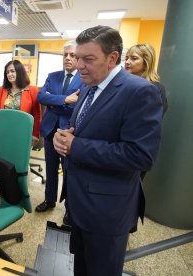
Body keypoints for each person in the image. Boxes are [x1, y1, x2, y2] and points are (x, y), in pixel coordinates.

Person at [53, 26, 163, 276]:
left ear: (112, 58)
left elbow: (141, 155)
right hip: (78, 202)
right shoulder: (88, 86)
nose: (79, 65)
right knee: (80, 266)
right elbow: (81, 128)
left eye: (88, 59)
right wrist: (67, 136)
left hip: (106, 210)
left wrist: (76, 146)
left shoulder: (140, 92)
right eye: (77, 57)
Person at [35, 41, 86, 215]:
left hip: (69, 132)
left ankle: (69, 208)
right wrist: (64, 100)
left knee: (68, 171)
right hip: (50, 130)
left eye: (72, 55)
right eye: (65, 55)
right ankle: (49, 200)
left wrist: (53, 101)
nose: (68, 58)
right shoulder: (53, 75)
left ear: (78, 58)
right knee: (50, 168)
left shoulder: (84, 78)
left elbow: (78, 106)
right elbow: (41, 97)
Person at [0, 60, 41, 144]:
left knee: (19, 155)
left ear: (20, 72)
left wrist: (35, 134)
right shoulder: (2, 90)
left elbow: (37, 114)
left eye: (12, 71)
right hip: (3, 129)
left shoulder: (32, 90)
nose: (9, 74)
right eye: (7, 72)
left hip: (23, 131)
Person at [124, 43, 168, 115]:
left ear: (146, 63)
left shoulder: (156, 88)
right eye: (126, 58)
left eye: (134, 58)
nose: (127, 62)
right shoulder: (122, 84)